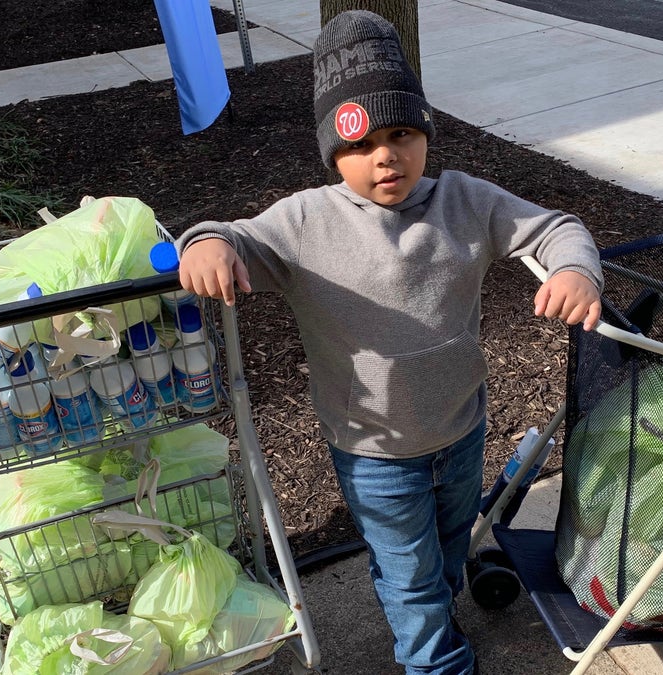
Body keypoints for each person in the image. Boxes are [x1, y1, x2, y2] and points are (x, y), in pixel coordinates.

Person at [176, 10, 603, 674]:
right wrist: (204, 243)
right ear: (333, 151)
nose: (385, 155)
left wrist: (575, 268)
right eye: (361, 142)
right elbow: (232, 236)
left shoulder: (464, 201)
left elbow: (556, 227)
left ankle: (438, 600)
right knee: (409, 576)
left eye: (402, 133)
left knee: (447, 545)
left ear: (426, 132)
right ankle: (434, 661)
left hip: (461, 427)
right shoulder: (305, 221)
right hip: (373, 453)